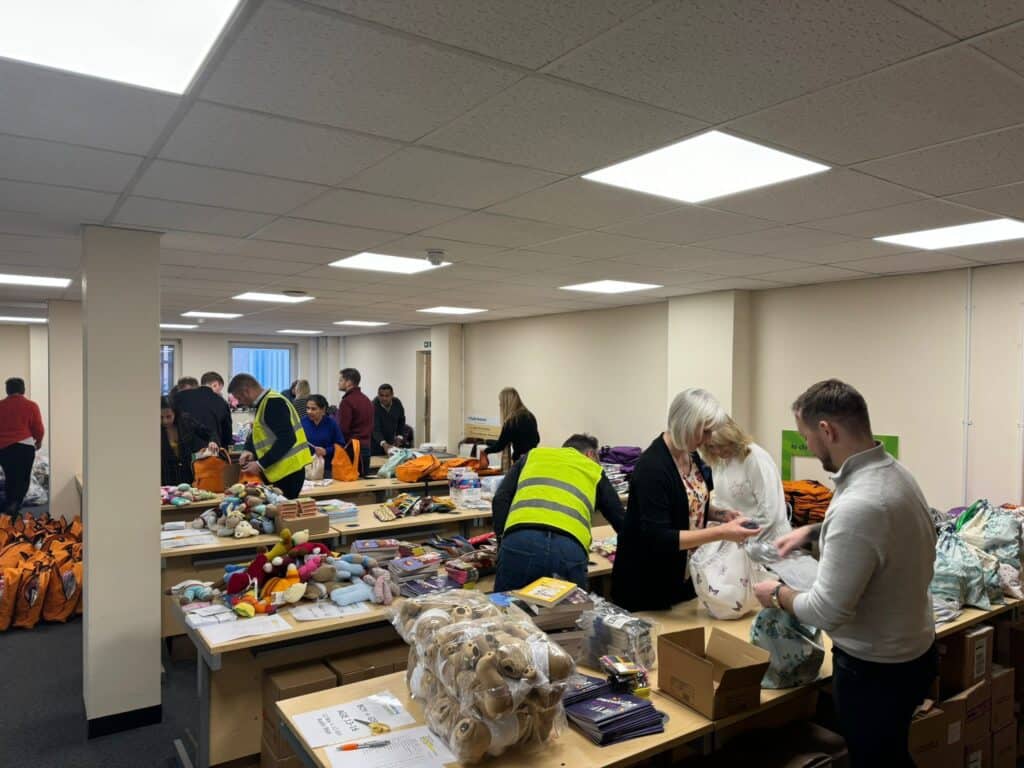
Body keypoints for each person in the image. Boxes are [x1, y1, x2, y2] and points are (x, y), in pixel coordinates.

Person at [753, 380, 936, 768]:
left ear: (827, 431)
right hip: (913, 651)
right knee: (891, 754)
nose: (807, 447)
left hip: (876, 671)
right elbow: (880, 539)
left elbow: (826, 612)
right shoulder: (896, 475)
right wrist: (813, 532)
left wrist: (777, 593)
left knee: (877, 761)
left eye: (806, 437)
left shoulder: (859, 503)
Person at [612, 389, 760, 612]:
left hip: (682, 578)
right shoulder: (652, 468)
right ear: (687, 424)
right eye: (705, 431)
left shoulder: (691, 457)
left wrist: (721, 515)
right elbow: (658, 537)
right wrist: (722, 532)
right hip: (647, 585)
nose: (709, 439)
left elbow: (690, 504)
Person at [492, 434, 625, 592]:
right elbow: (620, 519)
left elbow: (500, 499)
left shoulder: (533, 455)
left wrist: (502, 542)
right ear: (591, 454)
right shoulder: (593, 469)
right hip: (569, 549)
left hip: (520, 540)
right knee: (567, 615)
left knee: (508, 612)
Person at [699, 416, 791, 546]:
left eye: (721, 445)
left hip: (765, 539)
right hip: (736, 537)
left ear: (732, 438)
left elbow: (769, 513)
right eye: (711, 446)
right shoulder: (718, 460)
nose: (717, 451)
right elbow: (720, 501)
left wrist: (741, 538)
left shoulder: (755, 459)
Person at [229, 373, 311, 499]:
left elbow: (287, 438)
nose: (239, 403)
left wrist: (260, 464)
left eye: (239, 398)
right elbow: (258, 431)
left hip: (288, 473)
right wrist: (249, 449)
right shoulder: (264, 403)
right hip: (280, 470)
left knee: (282, 515)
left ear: (246, 391)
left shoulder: (273, 403)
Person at [0, 378, 44, 519]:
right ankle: (15, 504)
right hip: (24, 446)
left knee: (10, 476)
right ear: (23, 389)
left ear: (7, 390)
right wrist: (39, 442)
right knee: (23, 478)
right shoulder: (31, 405)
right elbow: (38, 428)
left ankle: (10, 503)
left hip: (4, 448)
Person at [160, 396, 218, 487]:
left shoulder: (186, 421)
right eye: (161, 417)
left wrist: (213, 442)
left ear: (175, 413)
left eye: (168, 416)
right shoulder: (154, 427)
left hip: (188, 473)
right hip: (165, 476)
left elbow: (210, 433)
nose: (165, 421)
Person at [173, 371, 233, 448]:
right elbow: (227, 435)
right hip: (211, 450)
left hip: (184, 449)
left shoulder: (180, 397)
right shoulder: (221, 402)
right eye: (219, 389)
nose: (219, 393)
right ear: (215, 384)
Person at [485, 387, 540, 466]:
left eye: (501, 402)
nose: (500, 405)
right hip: (533, 460)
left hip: (520, 462)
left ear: (506, 403)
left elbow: (500, 445)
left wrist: (485, 451)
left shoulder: (512, 421)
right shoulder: (530, 415)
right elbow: (537, 439)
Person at [336, 368, 373, 476]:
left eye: (341, 380)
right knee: (362, 484)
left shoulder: (347, 401)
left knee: (350, 484)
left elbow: (343, 429)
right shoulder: (366, 399)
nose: (338, 383)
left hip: (353, 449)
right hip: (366, 447)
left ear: (349, 382)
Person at [300, 395, 346, 478]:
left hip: (327, 468)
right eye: (307, 408)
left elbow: (341, 444)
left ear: (323, 410)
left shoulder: (331, 423)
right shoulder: (303, 422)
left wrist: (326, 451)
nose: (309, 411)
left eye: (313, 409)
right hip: (307, 468)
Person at [372, 383, 407, 456]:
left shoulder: (397, 403)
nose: (384, 398)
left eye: (387, 396)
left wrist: (399, 436)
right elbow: (375, 429)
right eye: (381, 395)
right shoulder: (373, 406)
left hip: (391, 441)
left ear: (392, 395)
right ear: (378, 395)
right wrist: (384, 444)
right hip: (376, 443)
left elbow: (401, 421)